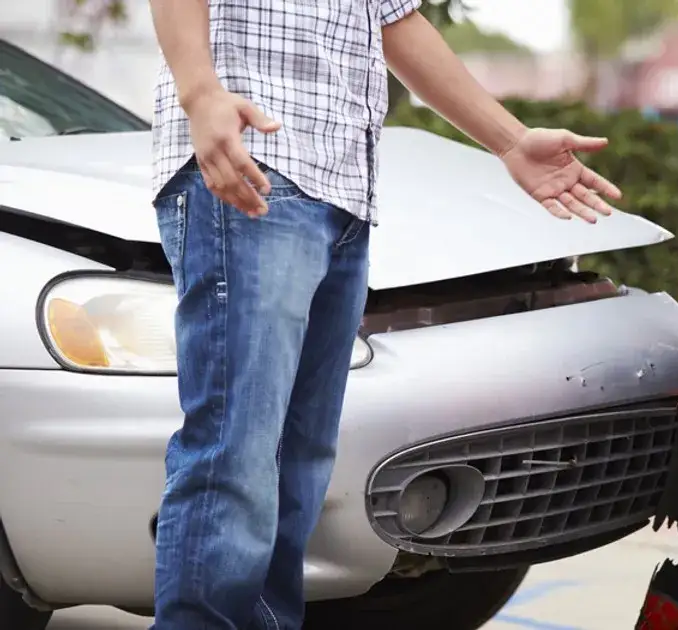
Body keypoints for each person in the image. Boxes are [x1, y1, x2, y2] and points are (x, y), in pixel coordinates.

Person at [146, 1, 621, 627]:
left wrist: (510, 141)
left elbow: (394, 20)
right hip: (253, 163)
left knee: (299, 463)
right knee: (236, 453)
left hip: (341, 189)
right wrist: (200, 90)